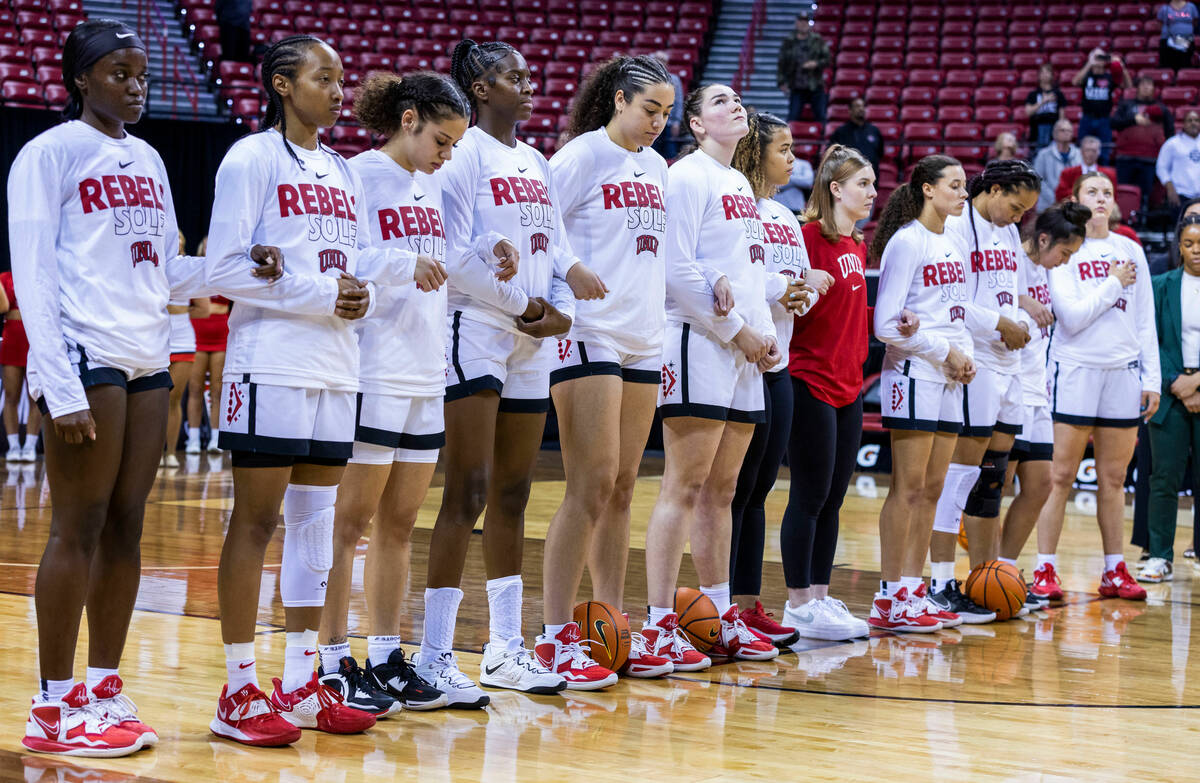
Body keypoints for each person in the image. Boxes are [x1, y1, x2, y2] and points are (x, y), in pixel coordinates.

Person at [7, 19, 274, 758]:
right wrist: (55, 383)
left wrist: (243, 267)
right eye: (119, 72)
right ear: (81, 79)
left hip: (147, 356)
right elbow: (33, 273)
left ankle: (101, 685)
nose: (135, 84)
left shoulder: (151, 159)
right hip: (85, 357)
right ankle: (52, 706)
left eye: (141, 73)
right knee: (78, 526)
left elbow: (159, 270)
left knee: (128, 527)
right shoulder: (47, 153)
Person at [206, 34, 447, 746]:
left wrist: (387, 276)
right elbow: (224, 267)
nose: (339, 90)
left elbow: (355, 263)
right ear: (283, 85)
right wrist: (321, 291)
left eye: (342, 78)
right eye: (324, 77)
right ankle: (239, 687)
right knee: (254, 524)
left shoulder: (341, 171)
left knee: (315, 529)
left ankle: (304, 679)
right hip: (271, 361)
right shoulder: (250, 159)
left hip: (338, 365)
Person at [414, 38, 603, 705]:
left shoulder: (534, 161)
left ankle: (502, 645)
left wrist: (564, 311)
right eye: (514, 75)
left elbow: (558, 249)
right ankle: (433, 654)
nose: (530, 81)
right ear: (482, 87)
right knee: (465, 489)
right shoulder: (461, 155)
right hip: (480, 327)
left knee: (514, 493)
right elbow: (456, 255)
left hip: (533, 332)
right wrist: (526, 306)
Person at [315, 71, 484, 716]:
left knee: (400, 523)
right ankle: (330, 660)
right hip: (372, 367)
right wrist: (398, 263)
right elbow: (342, 255)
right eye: (441, 140)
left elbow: (444, 260)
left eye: (455, 145)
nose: (446, 155)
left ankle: (385, 655)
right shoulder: (356, 174)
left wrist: (486, 254)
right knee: (348, 522)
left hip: (423, 370)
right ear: (408, 120)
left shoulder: (434, 186)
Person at [538, 55, 676, 687]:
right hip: (589, 330)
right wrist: (568, 269)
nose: (658, 122)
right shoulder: (579, 156)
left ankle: (611, 627)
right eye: (651, 109)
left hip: (644, 336)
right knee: (589, 485)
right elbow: (538, 226)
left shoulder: (657, 168)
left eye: (668, 113)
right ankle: (555, 635)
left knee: (623, 486)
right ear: (619, 99)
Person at [641, 82, 780, 668]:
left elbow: (746, 273)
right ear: (696, 124)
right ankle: (658, 622)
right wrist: (737, 332)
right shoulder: (687, 175)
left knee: (724, 491)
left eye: (737, 100)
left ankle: (718, 614)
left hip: (744, 350)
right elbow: (674, 270)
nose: (735, 106)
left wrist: (765, 333)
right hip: (699, 341)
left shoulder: (741, 184)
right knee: (686, 485)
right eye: (720, 102)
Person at [782, 144, 901, 640]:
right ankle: (796, 604)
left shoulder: (856, 247)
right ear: (835, 189)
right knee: (808, 495)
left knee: (834, 498)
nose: (873, 193)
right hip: (809, 378)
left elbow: (847, 314)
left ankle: (822, 598)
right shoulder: (807, 237)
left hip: (849, 384)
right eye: (863, 184)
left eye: (873, 184)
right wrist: (804, 287)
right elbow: (791, 301)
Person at [1033, 172, 1160, 601]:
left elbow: (1145, 321)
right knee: (1060, 474)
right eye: (1093, 192)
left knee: (1113, 477)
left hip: (1123, 373)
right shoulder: (1067, 249)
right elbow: (1070, 316)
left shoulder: (1131, 251)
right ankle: (1044, 567)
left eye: (1108, 192)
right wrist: (1112, 283)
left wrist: (1152, 379)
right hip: (1075, 369)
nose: (1102, 198)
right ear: (1076, 199)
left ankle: (1114, 568)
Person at [727, 112, 828, 645]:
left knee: (760, 490)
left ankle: (746, 606)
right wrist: (782, 287)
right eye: (783, 149)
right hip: (739, 361)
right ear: (754, 151)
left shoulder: (786, 217)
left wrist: (803, 288)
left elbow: (800, 292)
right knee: (733, 491)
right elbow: (741, 273)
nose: (793, 159)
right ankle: (716, 607)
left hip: (780, 362)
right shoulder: (736, 207)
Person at [926, 160, 1041, 623]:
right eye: (1015, 206)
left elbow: (1008, 296)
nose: (1018, 217)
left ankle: (984, 579)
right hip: (974, 361)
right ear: (992, 189)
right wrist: (1000, 323)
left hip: (1009, 365)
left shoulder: (1008, 232)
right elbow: (954, 302)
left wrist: (1020, 322)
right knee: (959, 478)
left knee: (993, 480)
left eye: (1026, 211)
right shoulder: (957, 226)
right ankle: (937, 582)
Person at [868, 154, 976, 632]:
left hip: (949, 377)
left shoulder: (953, 240)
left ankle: (915, 589)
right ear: (928, 189)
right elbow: (886, 324)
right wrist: (943, 351)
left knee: (933, 489)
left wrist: (964, 356)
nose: (963, 193)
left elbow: (955, 312)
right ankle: (890, 595)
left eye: (965, 185)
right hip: (913, 374)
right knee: (908, 488)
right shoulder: (906, 242)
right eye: (955, 185)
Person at [996, 203, 1091, 601]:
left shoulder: (1048, 270)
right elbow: (989, 294)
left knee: (1039, 486)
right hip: (1007, 386)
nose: (1065, 262)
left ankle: (1002, 575)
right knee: (993, 487)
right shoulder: (1012, 259)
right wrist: (1022, 301)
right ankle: (970, 575)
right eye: (1064, 253)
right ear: (1044, 239)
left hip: (1037, 389)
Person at [1141, 213, 1200, 582]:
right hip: (1170, 395)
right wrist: (1176, 381)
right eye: (1189, 244)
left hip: (1193, 389)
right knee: (1163, 480)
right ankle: (1159, 556)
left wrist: (1198, 383)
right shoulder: (1161, 284)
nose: (1196, 251)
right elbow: (1149, 340)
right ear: (1179, 248)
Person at [163, 266, 209, 467]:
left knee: (173, 399)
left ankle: (171, 453)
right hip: (153, 338)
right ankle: (152, 456)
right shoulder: (148, 266)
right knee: (151, 399)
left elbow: (204, 309)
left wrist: (179, 310)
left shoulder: (184, 271)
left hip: (182, 339)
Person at [1113, 77, 1174, 215]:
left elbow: (1170, 133)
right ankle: (1123, 219)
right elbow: (1114, 122)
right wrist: (1133, 119)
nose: (1146, 87)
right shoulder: (1126, 105)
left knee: (1147, 194)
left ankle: (1144, 222)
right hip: (1125, 157)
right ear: (1138, 88)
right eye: (1143, 84)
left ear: (1154, 89)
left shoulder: (1162, 109)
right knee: (1123, 191)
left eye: (1149, 84)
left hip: (1150, 159)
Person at [0, 269, 41, 462]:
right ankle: (14, 445)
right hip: (12, 337)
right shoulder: (5, 277)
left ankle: (30, 446)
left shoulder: (39, 272)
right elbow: (3, 306)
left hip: (35, 336)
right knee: (11, 395)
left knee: (36, 396)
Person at [1071, 48, 1131, 165]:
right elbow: (1075, 82)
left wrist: (1122, 68)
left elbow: (1127, 86)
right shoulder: (1087, 75)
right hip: (1087, 118)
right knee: (1083, 149)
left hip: (1104, 119)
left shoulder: (1109, 77)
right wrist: (1089, 63)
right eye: (1096, 57)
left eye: (1101, 57)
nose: (1098, 60)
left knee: (1103, 152)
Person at [187, 289, 228, 454]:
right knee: (195, 389)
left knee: (217, 390)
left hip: (221, 335)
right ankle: (193, 439)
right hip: (196, 335)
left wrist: (206, 309)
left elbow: (223, 308)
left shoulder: (221, 273)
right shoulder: (194, 270)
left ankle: (216, 438)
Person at [776, 16, 830, 122]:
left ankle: (824, 137)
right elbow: (782, 62)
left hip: (815, 84)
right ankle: (789, 138)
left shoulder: (817, 40)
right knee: (792, 117)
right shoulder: (789, 41)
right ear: (796, 23)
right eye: (801, 21)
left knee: (821, 116)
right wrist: (781, 82)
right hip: (796, 85)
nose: (803, 24)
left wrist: (816, 63)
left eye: (806, 21)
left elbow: (827, 59)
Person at [1157, 110, 1200, 220]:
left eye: (1196, 120)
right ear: (1183, 124)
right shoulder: (1172, 143)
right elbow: (1161, 168)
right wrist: (1170, 189)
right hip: (1181, 194)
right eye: (1189, 120)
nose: (1193, 123)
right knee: (1182, 231)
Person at [1033, 119, 1081, 210]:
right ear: (1054, 134)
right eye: (1062, 130)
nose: (1066, 133)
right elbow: (1037, 180)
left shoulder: (1079, 155)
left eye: (1069, 130)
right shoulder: (1043, 155)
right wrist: (1055, 198)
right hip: (1048, 206)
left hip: (1074, 206)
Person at [829, 97, 884, 176]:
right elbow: (834, 155)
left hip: (870, 176)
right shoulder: (841, 132)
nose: (861, 109)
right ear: (850, 111)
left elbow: (880, 153)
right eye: (857, 106)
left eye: (863, 106)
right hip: (849, 176)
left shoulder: (874, 130)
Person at [1054, 136, 1118, 203]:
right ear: (1081, 151)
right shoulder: (1068, 173)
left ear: (1099, 152)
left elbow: (1112, 197)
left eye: (1093, 151)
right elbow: (1060, 195)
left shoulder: (1109, 174)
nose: (1090, 154)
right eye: (1087, 150)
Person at [650, 50, 684, 160]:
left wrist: (676, 122)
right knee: (651, 152)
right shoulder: (647, 79)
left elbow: (678, 102)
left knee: (671, 153)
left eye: (663, 60)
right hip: (651, 122)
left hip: (669, 123)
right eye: (658, 59)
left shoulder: (674, 80)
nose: (660, 62)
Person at [1025, 64, 1067, 150]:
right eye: (1042, 72)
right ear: (1039, 75)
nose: (1045, 74)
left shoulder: (1058, 94)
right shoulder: (1033, 94)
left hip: (1053, 129)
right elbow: (1028, 112)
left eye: (1047, 72)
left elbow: (1062, 117)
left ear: (1052, 75)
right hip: (1037, 130)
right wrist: (1043, 101)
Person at [1158, 0, 1199, 70]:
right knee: (1168, 66)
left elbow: (1195, 22)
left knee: (1186, 65)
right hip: (1168, 43)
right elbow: (1160, 24)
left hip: (1187, 42)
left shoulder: (1191, 7)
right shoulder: (1164, 8)